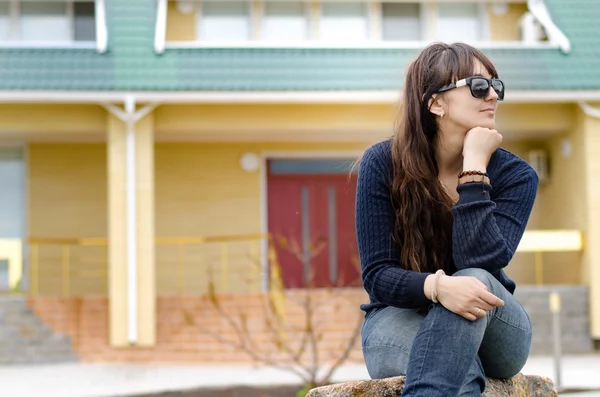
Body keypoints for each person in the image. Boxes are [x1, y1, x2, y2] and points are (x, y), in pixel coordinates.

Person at [355, 42, 538, 397]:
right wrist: (439, 288)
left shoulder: (516, 175)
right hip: (399, 316)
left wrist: (474, 170)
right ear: (436, 102)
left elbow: (481, 261)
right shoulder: (383, 163)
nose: (492, 97)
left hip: (494, 324)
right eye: (478, 86)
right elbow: (378, 275)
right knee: (457, 368)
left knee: (473, 280)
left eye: (496, 86)